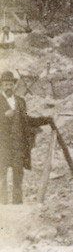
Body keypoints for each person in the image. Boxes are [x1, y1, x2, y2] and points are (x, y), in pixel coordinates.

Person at [0, 71, 50, 204]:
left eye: (10, 84)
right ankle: (2, 204)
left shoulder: (20, 101)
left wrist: (45, 120)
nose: (8, 87)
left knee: (18, 174)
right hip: (2, 145)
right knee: (1, 174)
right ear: (1, 85)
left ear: (14, 85)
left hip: (18, 144)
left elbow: (26, 120)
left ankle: (17, 203)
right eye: (5, 84)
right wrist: (3, 117)